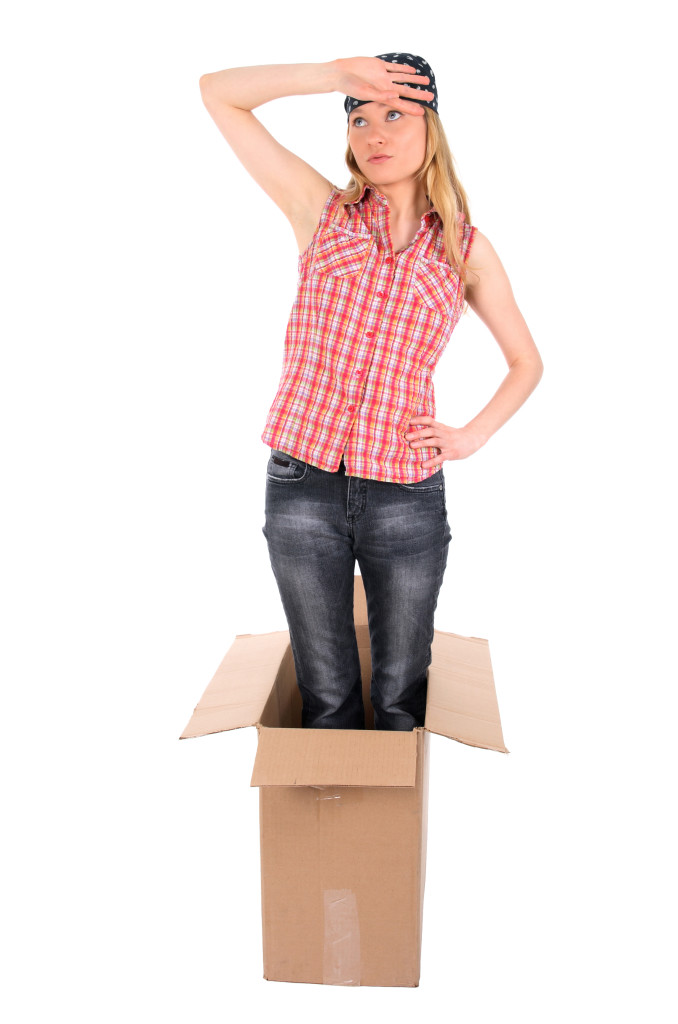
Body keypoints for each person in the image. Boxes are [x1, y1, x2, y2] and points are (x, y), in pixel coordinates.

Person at [199, 54, 543, 731]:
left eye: (395, 114)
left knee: (400, 698)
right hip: (302, 482)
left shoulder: (465, 248)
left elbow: (525, 361)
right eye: (360, 118)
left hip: (404, 496)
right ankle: (329, 827)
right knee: (325, 696)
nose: (375, 133)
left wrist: (471, 434)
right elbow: (218, 94)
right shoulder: (319, 211)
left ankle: (391, 831)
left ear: (431, 129)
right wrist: (331, 76)